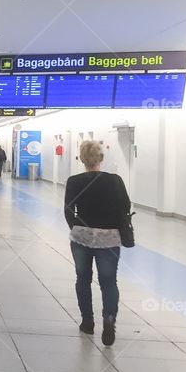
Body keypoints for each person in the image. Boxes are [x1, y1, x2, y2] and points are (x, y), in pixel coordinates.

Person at [64, 140, 130, 346]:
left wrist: (76, 227)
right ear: (101, 158)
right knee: (109, 282)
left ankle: (87, 321)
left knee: (83, 278)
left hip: (82, 237)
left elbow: (68, 209)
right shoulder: (115, 180)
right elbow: (125, 206)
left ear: (82, 159)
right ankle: (109, 319)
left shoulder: (74, 181)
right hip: (109, 237)